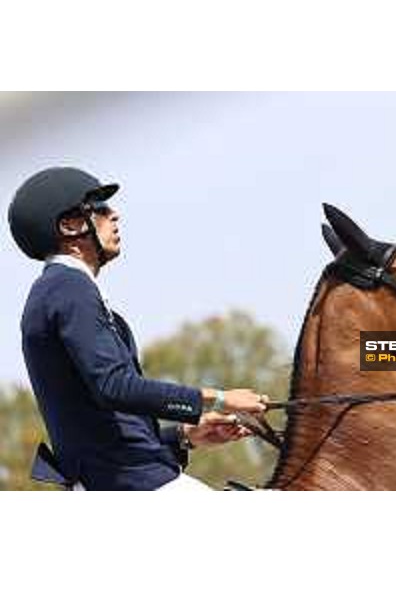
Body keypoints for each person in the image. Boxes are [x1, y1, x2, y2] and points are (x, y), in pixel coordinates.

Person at [8, 167, 269, 491]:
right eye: (100, 209)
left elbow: (107, 422)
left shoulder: (63, 290)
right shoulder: (68, 289)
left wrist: (185, 435)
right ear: (71, 225)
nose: (114, 215)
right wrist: (218, 400)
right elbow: (115, 386)